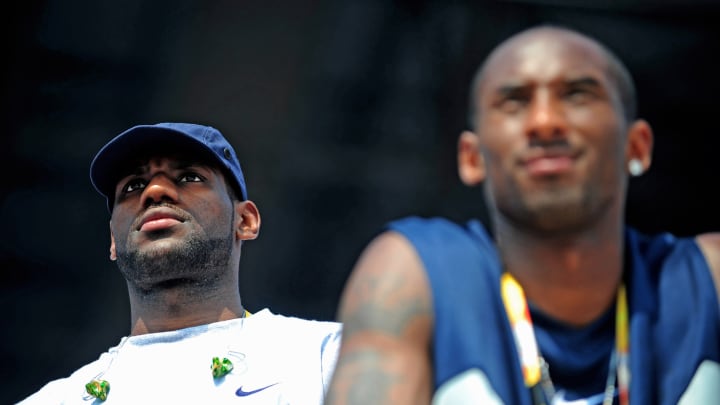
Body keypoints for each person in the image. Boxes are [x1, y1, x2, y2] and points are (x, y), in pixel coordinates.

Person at [326, 25, 720, 405]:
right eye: (514, 101)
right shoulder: (415, 273)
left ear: (637, 146)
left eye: (577, 95)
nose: (545, 122)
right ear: (471, 158)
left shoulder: (709, 279)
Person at [18, 122, 341, 404]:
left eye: (189, 177)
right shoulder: (57, 400)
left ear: (244, 220)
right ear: (114, 240)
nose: (155, 191)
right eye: (133, 186)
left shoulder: (327, 356)